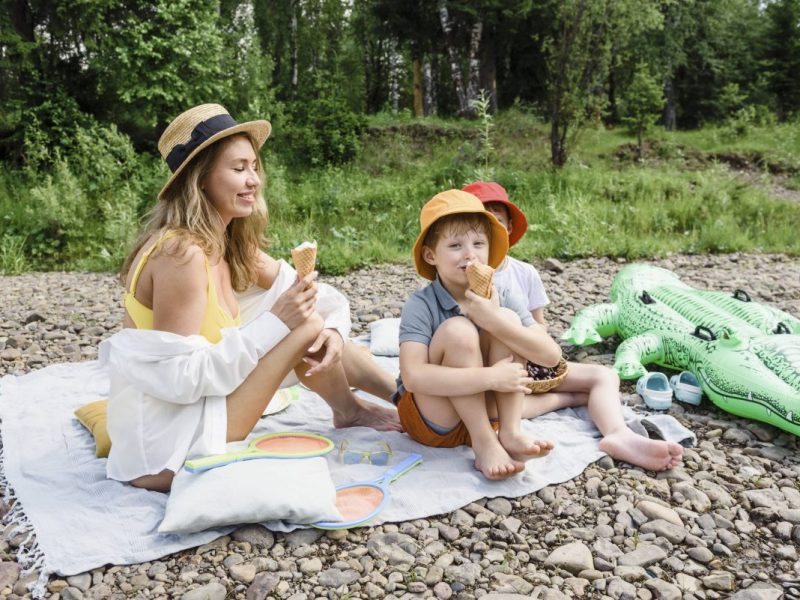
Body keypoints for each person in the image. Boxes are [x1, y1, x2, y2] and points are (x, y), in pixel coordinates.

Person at [103, 104, 398, 492]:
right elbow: (182, 381)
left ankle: (408, 397)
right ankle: (361, 409)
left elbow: (323, 298)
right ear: (201, 177)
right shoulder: (182, 255)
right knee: (305, 327)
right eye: (239, 168)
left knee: (317, 329)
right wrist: (277, 321)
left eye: (254, 167)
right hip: (167, 448)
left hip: (203, 412)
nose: (253, 180)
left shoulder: (226, 245)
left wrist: (337, 336)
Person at [462, 181, 684, 472]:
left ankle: (618, 433)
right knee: (485, 407)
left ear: (509, 228)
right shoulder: (457, 274)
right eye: (479, 226)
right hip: (490, 373)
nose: (486, 235)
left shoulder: (524, 273)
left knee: (603, 375)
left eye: (497, 222)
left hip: (530, 361)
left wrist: (523, 341)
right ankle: (565, 399)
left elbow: (539, 327)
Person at [395, 189, 558, 481]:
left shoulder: (504, 294)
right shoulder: (421, 304)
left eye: (479, 243)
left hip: (489, 411)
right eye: (455, 245)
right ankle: (483, 443)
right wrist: (492, 378)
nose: (470, 254)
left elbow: (550, 355)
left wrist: (494, 321)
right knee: (459, 331)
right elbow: (413, 377)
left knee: (507, 319)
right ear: (431, 255)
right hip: (434, 419)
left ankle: (509, 433)